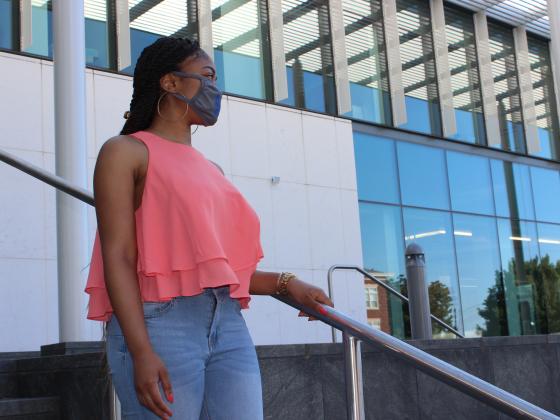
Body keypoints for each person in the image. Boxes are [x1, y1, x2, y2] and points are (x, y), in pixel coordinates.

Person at [83, 36, 334, 420]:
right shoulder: (124, 151)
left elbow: (221, 272)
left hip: (227, 323)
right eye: (207, 76)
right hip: (158, 325)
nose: (215, 89)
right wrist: (141, 350)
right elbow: (118, 256)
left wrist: (288, 284)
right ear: (169, 82)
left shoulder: (211, 170)